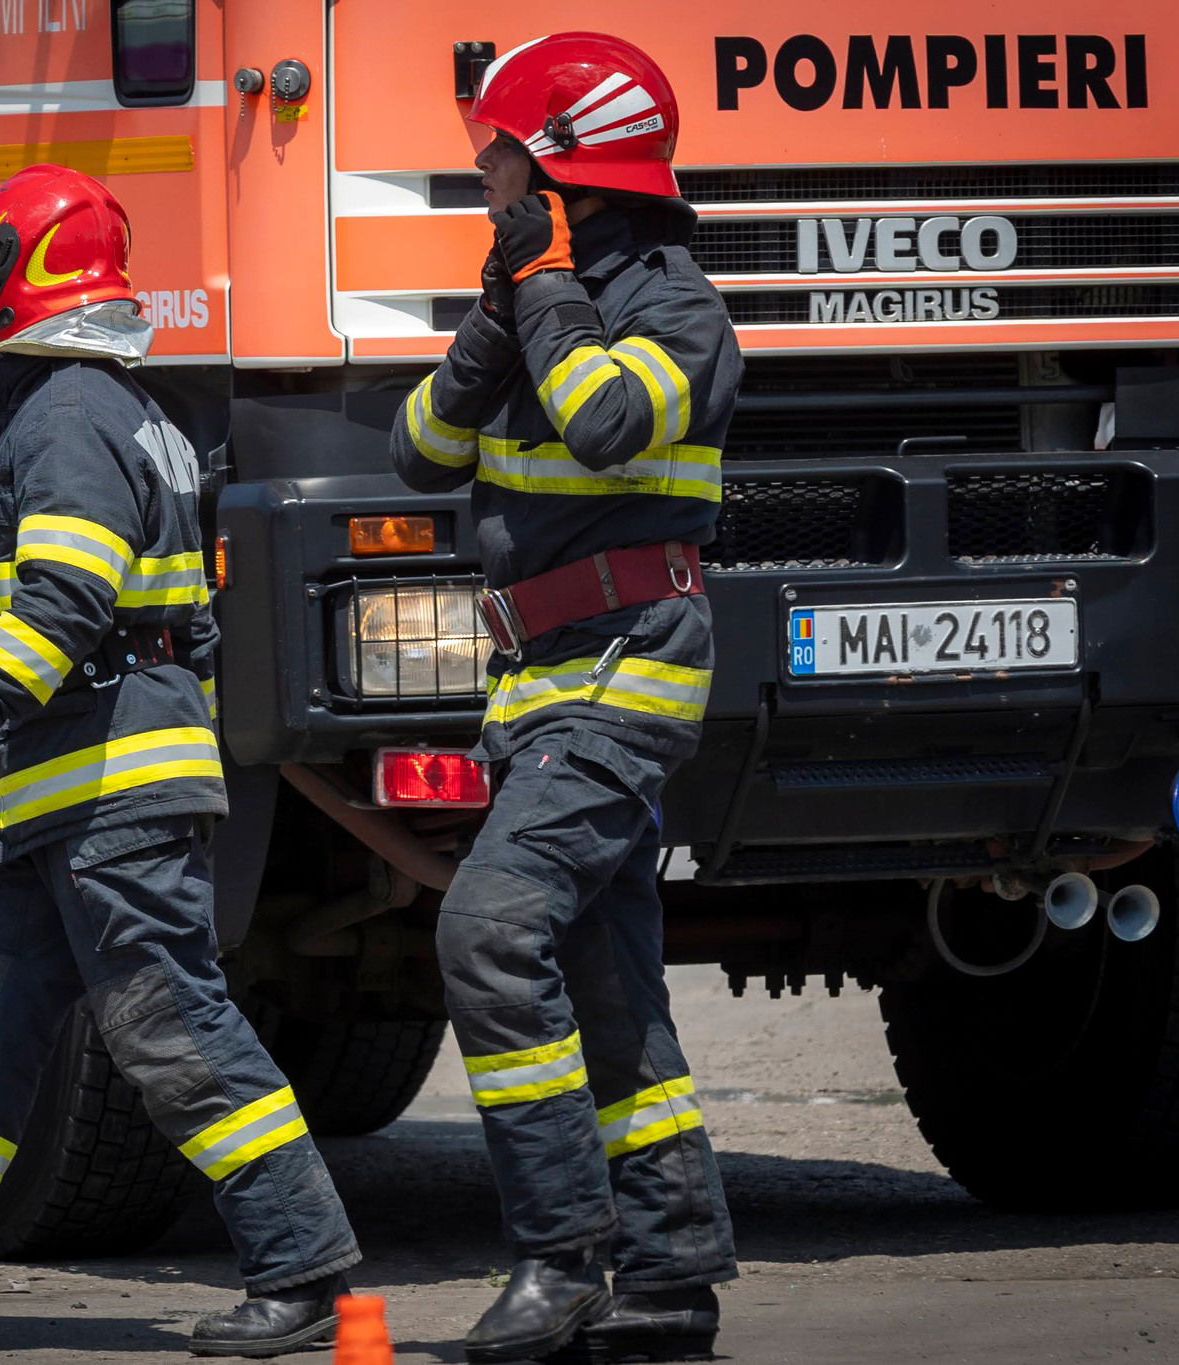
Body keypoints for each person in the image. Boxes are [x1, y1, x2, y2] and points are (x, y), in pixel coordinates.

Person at [0, 165, 360, 1357]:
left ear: (3, 279)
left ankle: (302, 1268)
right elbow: (177, 623)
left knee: (167, 1024)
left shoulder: (68, 416)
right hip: (58, 803)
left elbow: (65, 595)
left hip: (107, 799)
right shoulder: (117, 409)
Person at [388, 31, 741, 1365]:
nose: (479, 181)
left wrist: (538, 293)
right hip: (540, 687)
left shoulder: (678, 307)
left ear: (553, 171)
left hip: (625, 677)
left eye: (495, 162)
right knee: (608, 985)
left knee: (486, 934)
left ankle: (562, 1256)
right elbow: (419, 449)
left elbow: (603, 421)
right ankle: (666, 1279)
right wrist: (497, 314)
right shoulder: (538, 296)